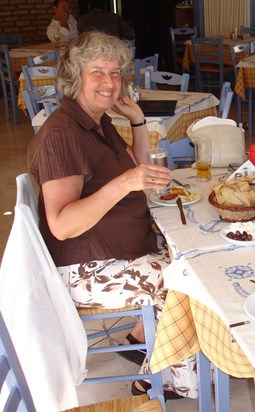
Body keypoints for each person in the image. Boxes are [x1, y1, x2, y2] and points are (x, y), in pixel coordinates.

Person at [27, 31, 197, 398]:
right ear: (75, 77)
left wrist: (137, 121)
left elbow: (140, 170)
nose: (109, 82)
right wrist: (123, 184)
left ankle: (144, 337)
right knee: (183, 281)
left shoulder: (95, 121)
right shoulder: (62, 135)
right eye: (98, 72)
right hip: (85, 270)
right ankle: (162, 380)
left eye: (116, 72)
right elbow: (62, 224)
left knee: (190, 256)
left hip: (110, 249)